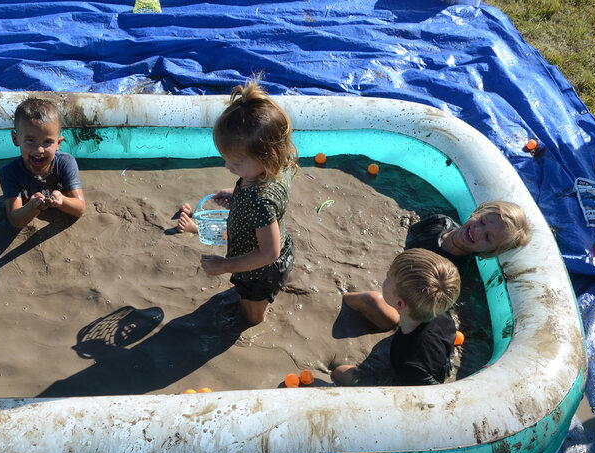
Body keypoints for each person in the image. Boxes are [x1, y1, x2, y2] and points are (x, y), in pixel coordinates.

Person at [187, 81, 298, 325]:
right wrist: (236, 195)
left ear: (266, 156)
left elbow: (269, 252)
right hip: (277, 250)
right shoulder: (282, 164)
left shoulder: (259, 200)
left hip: (260, 271)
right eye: (226, 159)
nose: (228, 167)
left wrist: (226, 265)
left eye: (236, 164)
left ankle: (261, 310)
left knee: (252, 317)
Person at [343, 200, 530, 331]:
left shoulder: (453, 271)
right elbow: (406, 234)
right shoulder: (440, 222)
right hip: (395, 272)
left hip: (402, 292)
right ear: (477, 212)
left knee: (377, 304)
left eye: (488, 237)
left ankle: (341, 298)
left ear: (488, 252)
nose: (477, 231)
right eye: (481, 221)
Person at [332, 248, 461, 386]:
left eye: (389, 278)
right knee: (373, 300)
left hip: (405, 373)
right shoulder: (438, 306)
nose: (386, 275)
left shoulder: (409, 364)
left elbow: (431, 391)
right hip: (432, 352)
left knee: (341, 373)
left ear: (400, 304)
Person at [0, 97, 86, 228]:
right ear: (15, 139)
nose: (39, 150)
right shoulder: (9, 172)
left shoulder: (65, 163)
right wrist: (32, 207)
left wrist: (62, 201)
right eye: (30, 140)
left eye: (48, 142)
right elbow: (15, 220)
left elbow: (79, 208)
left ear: (58, 143)